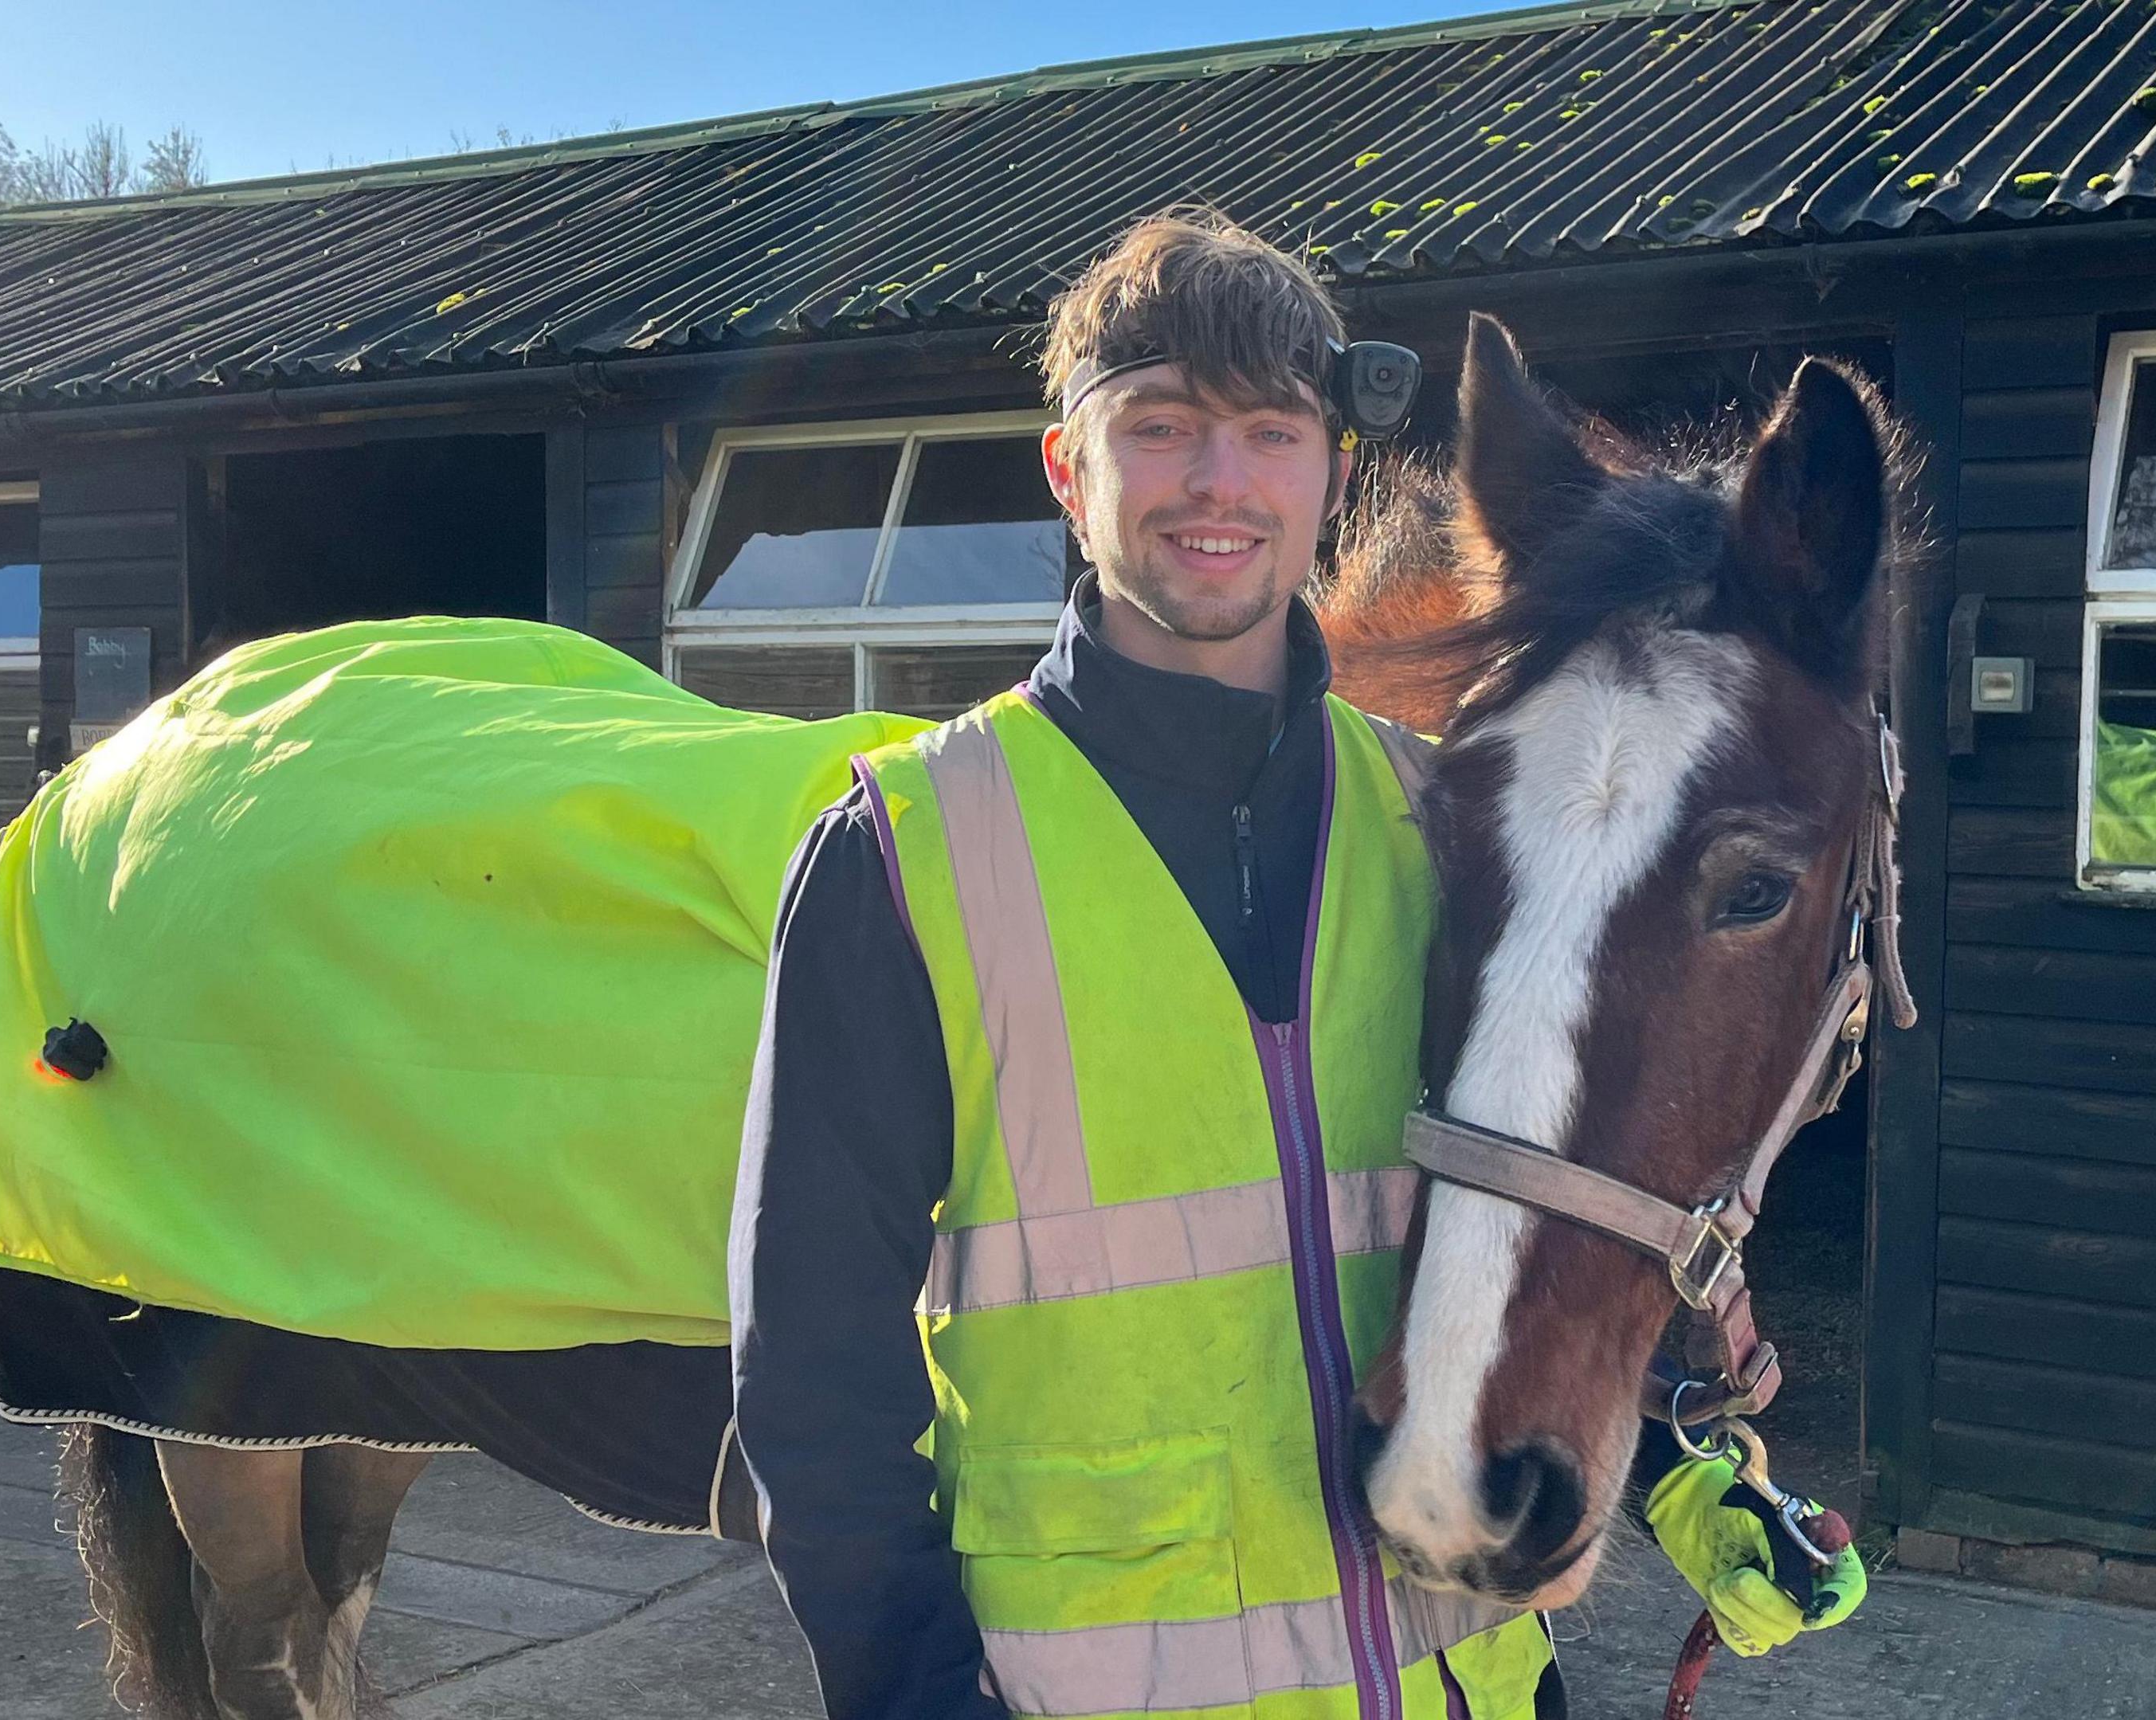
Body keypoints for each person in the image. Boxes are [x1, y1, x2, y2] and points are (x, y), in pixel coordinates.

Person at [728, 209, 1831, 1720]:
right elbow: (812, 1378)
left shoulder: (1435, 821)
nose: (1219, 484)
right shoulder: (908, 855)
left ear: (1334, 477)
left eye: (1270, 431)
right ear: (1071, 470)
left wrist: (1674, 1482)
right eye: (1161, 428)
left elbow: (1495, 1233)